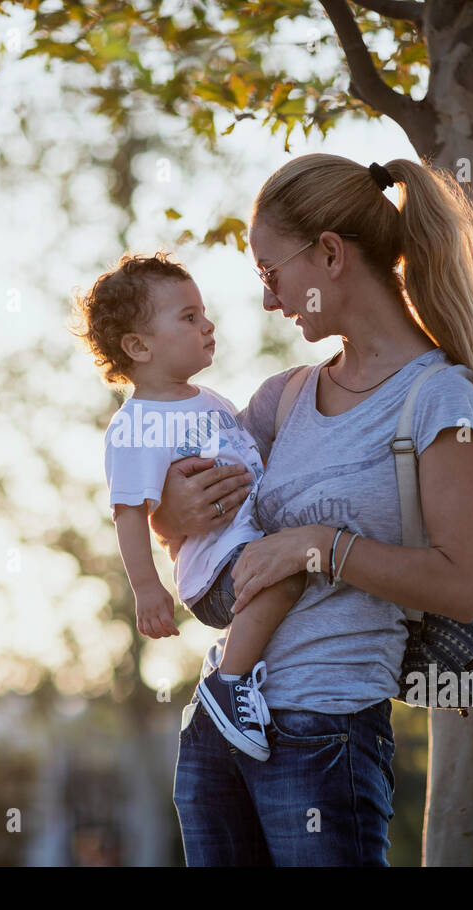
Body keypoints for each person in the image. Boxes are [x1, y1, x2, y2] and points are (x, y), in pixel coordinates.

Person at [149, 154, 473, 866]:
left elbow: (461, 583)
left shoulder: (438, 398)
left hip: (326, 740)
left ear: (329, 253)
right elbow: (188, 532)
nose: (268, 300)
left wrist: (317, 545)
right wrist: (169, 506)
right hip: (218, 727)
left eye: (271, 274)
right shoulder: (281, 399)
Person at [69, 252, 308, 762]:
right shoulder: (136, 425)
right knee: (286, 575)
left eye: (203, 313)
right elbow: (130, 512)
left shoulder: (212, 401)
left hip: (245, 546)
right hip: (214, 570)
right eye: (188, 318)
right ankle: (229, 682)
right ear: (139, 346)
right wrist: (147, 587)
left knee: (292, 564)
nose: (208, 325)